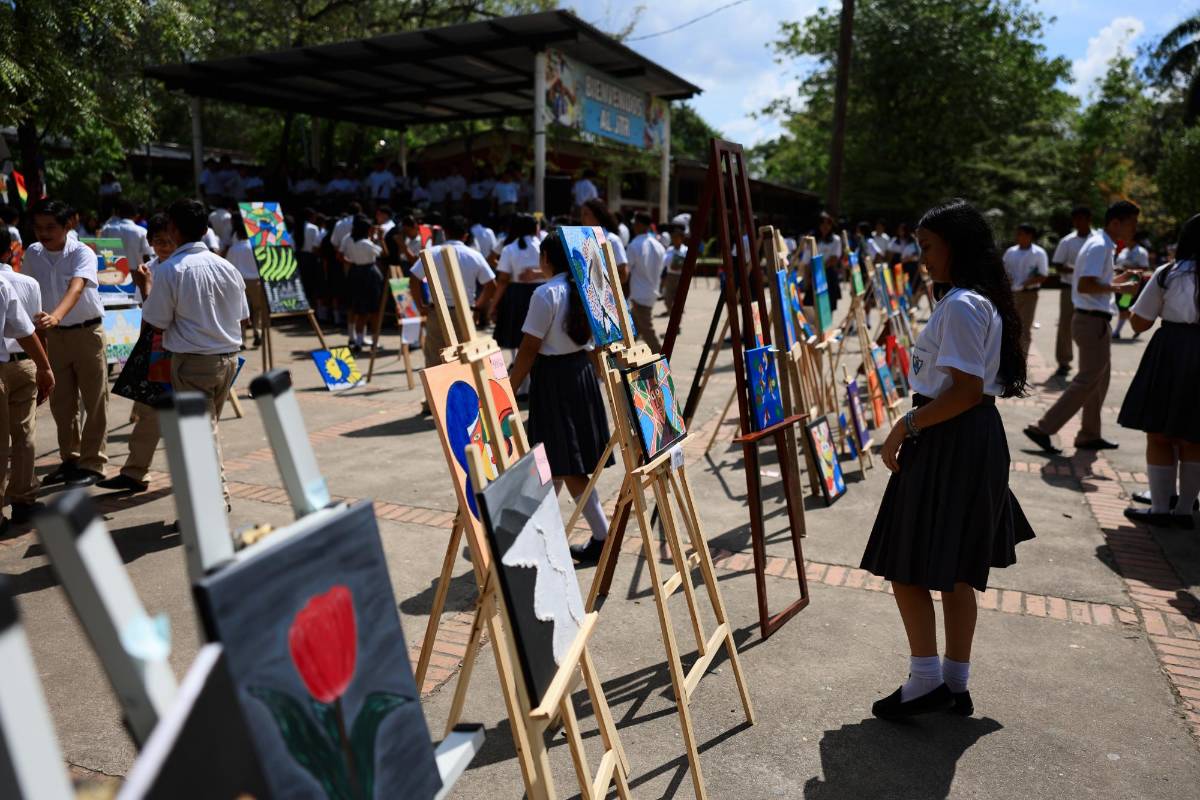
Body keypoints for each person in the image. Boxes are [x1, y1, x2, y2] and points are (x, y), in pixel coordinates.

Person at [861, 198, 1034, 720]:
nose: (923, 257)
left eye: (929, 246)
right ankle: (954, 683)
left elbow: (961, 391)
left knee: (907, 565)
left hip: (950, 437)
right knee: (957, 571)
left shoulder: (961, 303)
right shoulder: (977, 300)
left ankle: (927, 681)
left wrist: (903, 426)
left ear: (955, 245)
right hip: (973, 437)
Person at [508, 231, 612, 564]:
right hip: (580, 374)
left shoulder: (546, 293)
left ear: (547, 259)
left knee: (567, 462)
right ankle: (540, 530)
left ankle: (602, 535)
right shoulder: (588, 286)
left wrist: (510, 387)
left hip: (555, 379)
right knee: (552, 461)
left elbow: (528, 348)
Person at [140, 199, 249, 509]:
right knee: (206, 431)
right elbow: (242, 315)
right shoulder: (226, 266)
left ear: (174, 228)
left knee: (200, 436)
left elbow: (157, 321)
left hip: (193, 362)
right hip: (226, 359)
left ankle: (212, 502)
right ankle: (213, 498)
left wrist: (146, 288)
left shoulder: (173, 269)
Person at [1024, 200, 1141, 454]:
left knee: (1099, 380)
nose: (1135, 229)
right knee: (1088, 380)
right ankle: (1043, 427)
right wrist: (1120, 288)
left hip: (1093, 319)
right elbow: (1086, 285)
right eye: (1132, 223)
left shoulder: (1102, 244)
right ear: (1115, 223)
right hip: (1092, 320)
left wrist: (1118, 279)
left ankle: (1089, 433)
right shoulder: (1100, 246)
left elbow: (1093, 281)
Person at [1117, 214, 1200, 528]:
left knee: (1161, 434)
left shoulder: (1169, 274)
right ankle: (1185, 510)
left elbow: (1139, 323)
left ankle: (1161, 507)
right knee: (1195, 436)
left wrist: (1132, 293)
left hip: (1171, 351)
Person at [23, 199, 109, 487]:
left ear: (68, 225)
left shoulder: (82, 252)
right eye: (38, 228)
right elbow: (28, 291)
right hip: (54, 337)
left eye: (50, 227)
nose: (43, 233)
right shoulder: (33, 253)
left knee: (94, 399)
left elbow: (77, 287)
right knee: (61, 401)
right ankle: (70, 459)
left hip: (86, 333)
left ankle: (94, 462)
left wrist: (56, 316)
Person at [96, 214, 176, 493]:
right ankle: (135, 471)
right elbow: (144, 312)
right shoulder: (148, 267)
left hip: (180, 349)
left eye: (168, 241)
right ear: (150, 242)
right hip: (152, 348)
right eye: (158, 242)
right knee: (148, 413)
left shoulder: (178, 268)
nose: (164, 246)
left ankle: (198, 477)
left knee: (190, 419)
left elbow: (162, 313)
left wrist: (145, 287)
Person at [0, 228, 55, 525]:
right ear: (10, 251)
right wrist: (44, 366)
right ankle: (23, 498)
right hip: (22, 364)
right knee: (24, 436)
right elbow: (31, 330)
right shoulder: (25, 284)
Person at [410, 216, 496, 378]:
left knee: (435, 360)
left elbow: (413, 278)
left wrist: (420, 305)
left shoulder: (431, 253)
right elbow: (491, 285)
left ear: (444, 233)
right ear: (465, 235)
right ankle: (464, 401)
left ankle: (434, 402)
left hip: (436, 312)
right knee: (465, 360)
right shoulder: (473, 255)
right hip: (464, 313)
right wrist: (478, 306)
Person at [489, 214, 543, 365]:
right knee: (538, 334)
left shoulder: (509, 249)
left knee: (516, 335)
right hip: (542, 292)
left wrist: (493, 305)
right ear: (535, 228)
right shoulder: (543, 245)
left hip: (516, 294)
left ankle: (517, 366)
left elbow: (503, 279)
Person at [1050, 206, 1093, 376]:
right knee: (1065, 326)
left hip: (1091, 290)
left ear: (1089, 220)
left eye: (1081, 219)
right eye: (1075, 219)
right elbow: (1058, 265)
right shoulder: (1067, 241)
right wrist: (1078, 270)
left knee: (1090, 325)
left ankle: (1088, 361)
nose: (1078, 223)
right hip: (1069, 289)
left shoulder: (1097, 240)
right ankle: (1064, 361)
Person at [339, 214, 385, 352]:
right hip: (369, 274)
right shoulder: (367, 243)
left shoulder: (349, 239)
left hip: (355, 271)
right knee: (374, 310)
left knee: (360, 309)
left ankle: (358, 340)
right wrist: (380, 238)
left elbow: (342, 254)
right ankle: (374, 341)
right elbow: (382, 253)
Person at [1002, 223, 1049, 355]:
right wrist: (1007, 279)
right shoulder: (1010, 252)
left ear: (1030, 236)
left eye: (1020, 233)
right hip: (1010, 294)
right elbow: (1003, 270)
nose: (1017, 236)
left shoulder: (1039, 253)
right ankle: (1009, 356)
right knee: (1009, 326)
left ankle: (1022, 358)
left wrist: (1026, 283)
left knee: (1024, 327)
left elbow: (1043, 275)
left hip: (1029, 294)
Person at [626, 211, 666, 351]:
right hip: (651, 293)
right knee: (633, 332)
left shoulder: (634, 245)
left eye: (635, 224)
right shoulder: (659, 245)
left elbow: (626, 270)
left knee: (648, 334)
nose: (634, 227)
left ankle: (664, 368)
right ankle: (623, 361)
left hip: (639, 294)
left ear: (641, 225)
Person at [224, 213, 264, 348]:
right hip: (255, 280)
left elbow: (228, 267)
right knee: (257, 309)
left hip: (238, 282)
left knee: (240, 311)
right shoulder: (255, 248)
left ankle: (242, 338)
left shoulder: (233, 249)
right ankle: (257, 332)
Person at [802, 211, 844, 312]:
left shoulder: (836, 240)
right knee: (810, 308)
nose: (825, 226)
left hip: (828, 275)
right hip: (813, 276)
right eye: (822, 223)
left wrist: (817, 271)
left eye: (828, 223)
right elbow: (806, 261)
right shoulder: (812, 240)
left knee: (827, 309)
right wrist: (807, 278)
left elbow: (833, 259)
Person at [1112, 235, 1151, 339]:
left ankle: (1117, 331)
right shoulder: (1124, 250)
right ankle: (1136, 327)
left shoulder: (1141, 252)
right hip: (1121, 278)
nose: (1124, 240)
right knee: (1124, 307)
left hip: (1132, 281)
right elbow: (1119, 263)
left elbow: (1144, 267)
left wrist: (1129, 269)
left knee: (1123, 306)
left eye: (1127, 238)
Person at [579, 199, 628, 281]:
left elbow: (623, 274)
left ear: (597, 215)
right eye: (581, 214)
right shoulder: (583, 239)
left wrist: (603, 286)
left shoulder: (611, 239)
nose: (582, 218)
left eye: (586, 214)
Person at [100, 198, 153, 266]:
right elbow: (148, 256)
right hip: (136, 275)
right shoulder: (142, 232)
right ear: (136, 215)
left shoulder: (107, 229)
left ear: (118, 213)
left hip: (112, 274)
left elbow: (103, 253)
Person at [661, 223, 688, 316]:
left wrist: (680, 265)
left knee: (679, 300)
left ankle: (677, 322)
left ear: (681, 238)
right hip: (670, 276)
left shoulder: (685, 250)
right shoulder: (669, 249)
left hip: (680, 277)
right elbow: (664, 263)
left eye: (677, 237)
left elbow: (692, 264)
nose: (674, 240)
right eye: (673, 238)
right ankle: (672, 314)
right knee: (668, 299)